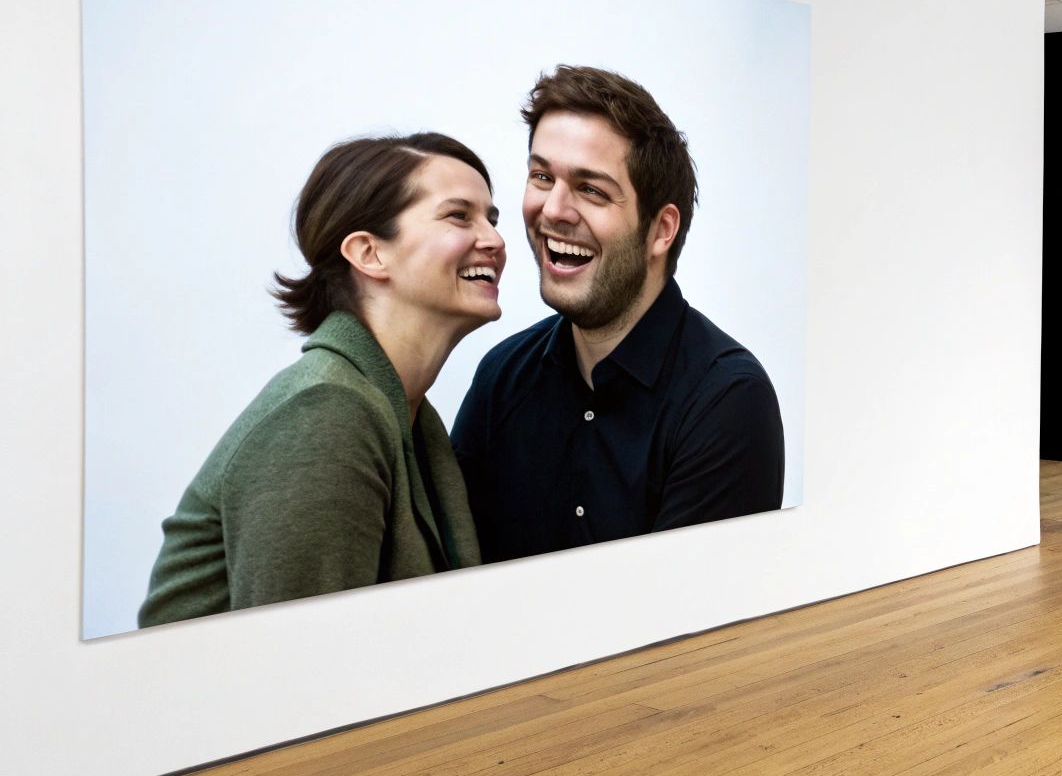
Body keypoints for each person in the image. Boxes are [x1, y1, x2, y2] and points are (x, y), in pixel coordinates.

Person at [139, 133, 505, 627]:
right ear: (369, 253)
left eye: (492, 219)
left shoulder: (404, 414)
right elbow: (304, 658)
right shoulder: (327, 413)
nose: (495, 240)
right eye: (459, 216)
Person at [452, 65, 784, 563]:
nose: (553, 210)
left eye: (591, 189)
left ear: (661, 230)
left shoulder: (727, 400)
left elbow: (684, 605)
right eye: (542, 177)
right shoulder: (502, 377)